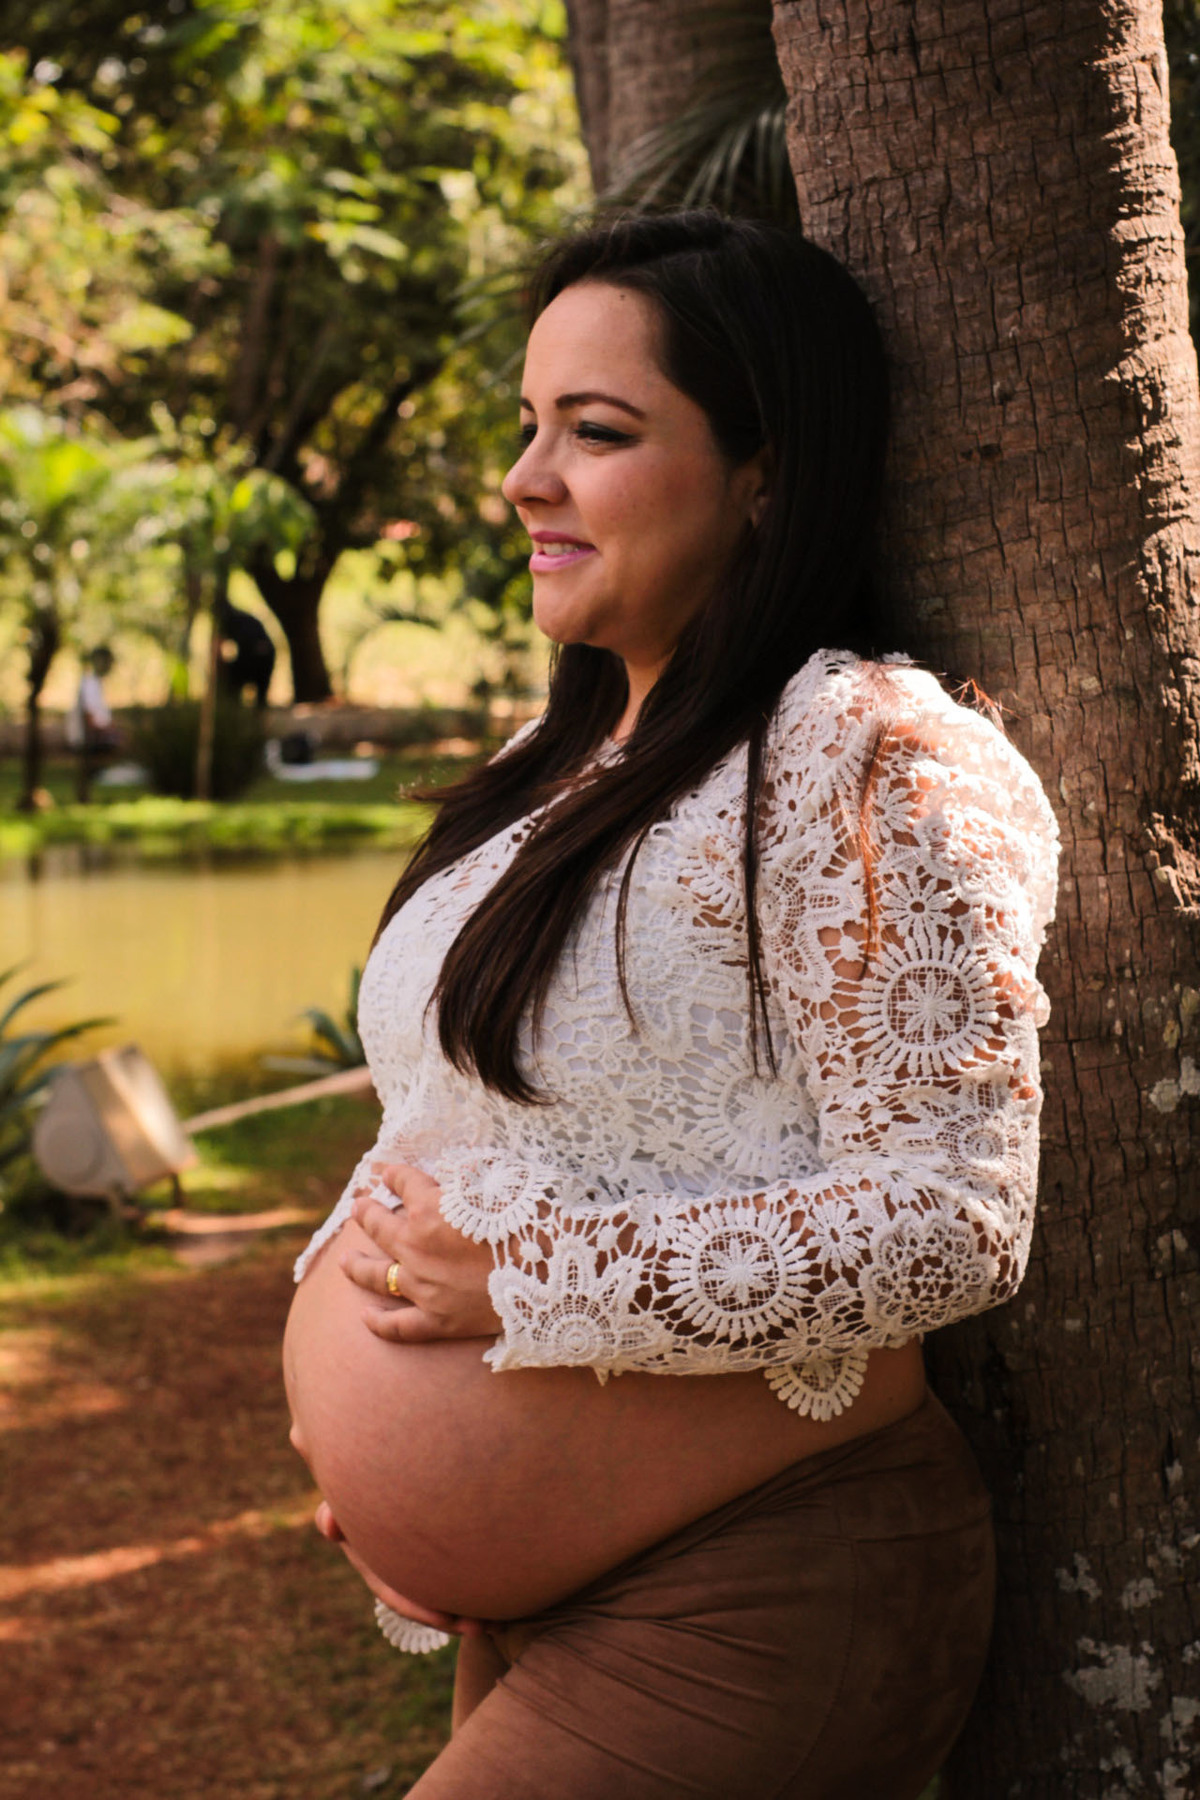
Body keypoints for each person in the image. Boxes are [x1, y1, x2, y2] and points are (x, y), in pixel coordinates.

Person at [283, 211, 1060, 1798]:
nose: (525, 480)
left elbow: (961, 1214)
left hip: (764, 1585)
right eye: (527, 426)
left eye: (599, 430)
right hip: (555, 1590)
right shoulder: (539, 769)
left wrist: (528, 1287)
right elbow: (452, 1119)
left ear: (764, 472)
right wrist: (367, 1437)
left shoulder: (862, 751)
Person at [66, 645, 120, 801]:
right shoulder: (89, 683)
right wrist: (105, 731)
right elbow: (89, 715)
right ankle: (84, 797)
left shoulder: (95, 683)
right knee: (88, 768)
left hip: (94, 733)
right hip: (89, 735)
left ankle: (87, 796)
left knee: (90, 770)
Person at [215, 599, 275, 708]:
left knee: (234, 684)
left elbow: (219, 647)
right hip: (258, 657)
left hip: (258, 659)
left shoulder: (231, 621)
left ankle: (233, 710)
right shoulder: (242, 619)